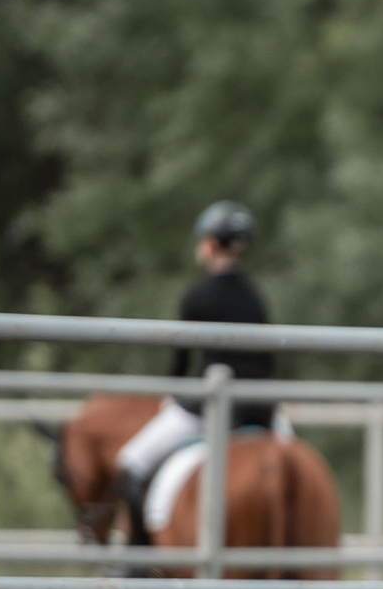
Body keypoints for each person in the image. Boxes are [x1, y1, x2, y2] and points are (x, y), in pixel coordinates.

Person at [113, 201, 276, 540]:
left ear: (211, 245)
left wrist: (172, 393)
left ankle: (140, 557)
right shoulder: (256, 298)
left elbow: (181, 362)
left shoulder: (197, 296)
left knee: (132, 462)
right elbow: (268, 362)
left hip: (212, 406)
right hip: (261, 409)